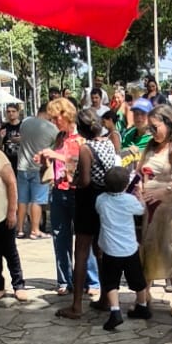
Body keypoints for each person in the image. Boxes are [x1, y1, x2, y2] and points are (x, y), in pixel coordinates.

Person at [57, 107, 119, 320]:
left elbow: (84, 180)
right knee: (101, 250)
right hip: (106, 199)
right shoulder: (109, 143)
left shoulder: (86, 149)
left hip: (88, 201)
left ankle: (76, 305)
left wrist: (72, 180)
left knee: (81, 252)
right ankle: (105, 297)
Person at [42, 98, 97, 298]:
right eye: (52, 118)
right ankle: (64, 280)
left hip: (77, 191)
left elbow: (80, 161)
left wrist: (56, 156)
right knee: (59, 236)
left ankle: (92, 280)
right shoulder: (60, 137)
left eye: (56, 117)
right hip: (58, 189)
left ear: (66, 115)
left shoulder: (82, 137)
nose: (54, 122)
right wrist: (45, 159)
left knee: (84, 236)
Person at [138, 107, 172, 317]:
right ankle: (144, 295)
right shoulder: (150, 146)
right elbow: (140, 172)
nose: (152, 131)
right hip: (150, 209)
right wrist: (139, 187)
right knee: (149, 249)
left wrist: (164, 190)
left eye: (155, 127)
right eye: (149, 127)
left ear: (168, 124)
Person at [94, 165, 150, 331]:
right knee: (138, 280)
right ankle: (142, 306)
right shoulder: (129, 200)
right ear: (126, 185)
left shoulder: (101, 199)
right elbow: (141, 210)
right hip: (130, 249)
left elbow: (98, 210)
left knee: (111, 282)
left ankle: (115, 311)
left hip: (110, 249)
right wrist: (139, 196)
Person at [0, 139, 29, 303]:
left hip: (3, 213)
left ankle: (19, 285)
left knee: (10, 251)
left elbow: (11, 183)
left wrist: (12, 211)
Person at [15, 102, 56, 241]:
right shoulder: (52, 128)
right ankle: (35, 230)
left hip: (22, 166)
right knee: (37, 200)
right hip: (39, 168)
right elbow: (57, 144)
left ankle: (20, 230)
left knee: (22, 200)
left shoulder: (25, 123)